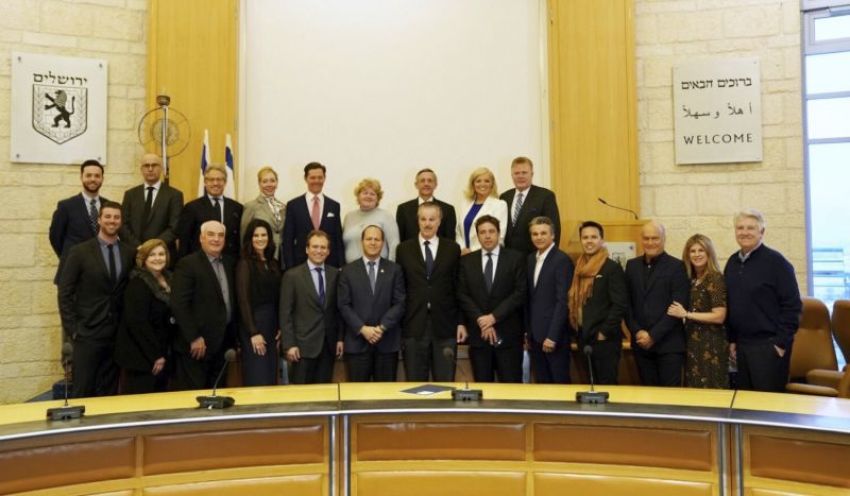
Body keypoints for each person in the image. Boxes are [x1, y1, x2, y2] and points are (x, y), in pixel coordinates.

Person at [57, 201, 135, 397]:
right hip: (87, 332)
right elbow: (65, 292)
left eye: (116, 217)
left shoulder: (129, 252)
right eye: (108, 216)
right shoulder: (80, 251)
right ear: (99, 220)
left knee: (108, 390)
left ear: (121, 221)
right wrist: (73, 329)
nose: (112, 220)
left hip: (116, 334)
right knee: (83, 389)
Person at [724, 209, 801, 392]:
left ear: (762, 232)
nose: (745, 232)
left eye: (751, 228)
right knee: (745, 406)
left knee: (768, 408)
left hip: (768, 347)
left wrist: (780, 345)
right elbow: (732, 304)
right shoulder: (732, 263)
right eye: (740, 228)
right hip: (741, 347)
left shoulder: (777, 263)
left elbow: (792, 307)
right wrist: (732, 340)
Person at [396, 202, 466, 381]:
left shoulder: (452, 249)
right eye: (423, 219)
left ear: (439, 222)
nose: (427, 223)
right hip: (413, 325)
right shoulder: (403, 249)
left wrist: (461, 322)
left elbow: (459, 287)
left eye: (432, 219)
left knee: (445, 383)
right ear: (417, 221)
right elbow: (400, 289)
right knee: (415, 384)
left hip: (445, 325)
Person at [457, 216, 526, 383]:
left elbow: (520, 293)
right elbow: (462, 294)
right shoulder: (466, 261)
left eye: (491, 231)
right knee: (483, 388)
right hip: (478, 336)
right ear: (477, 236)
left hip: (508, 335)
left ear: (499, 233)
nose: (487, 236)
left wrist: (493, 317)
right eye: (482, 232)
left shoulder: (515, 258)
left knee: (511, 390)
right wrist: (482, 320)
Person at [170, 221, 238, 390]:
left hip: (222, 344)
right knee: (194, 398)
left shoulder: (230, 263)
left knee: (217, 396)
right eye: (211, 234)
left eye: (221, 235)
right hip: (197, 346)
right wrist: (194, 337)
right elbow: (179, 304)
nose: (216, 239)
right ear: (201, 238)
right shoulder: (188, 264)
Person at [625, 221, 690, 387]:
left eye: (655, 238)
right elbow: (626, 304)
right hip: (641, 345)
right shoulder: (631, 266)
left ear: (663, 239)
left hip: (669, 345)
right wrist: (637, 331)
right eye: (646, 238)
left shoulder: (677, 267)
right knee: (648, 397)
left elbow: (677, 307)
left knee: (669, 399)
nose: (650, 242)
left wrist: (653, 336)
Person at [338, 225, 406, 382]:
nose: (373, 242)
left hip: (387, 343)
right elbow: (343, 305)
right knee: (357, 397)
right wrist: (362, 329)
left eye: (377, 239)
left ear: (383, 243)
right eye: (369, 239)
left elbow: (400, 303)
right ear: (362, 242)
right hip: (357, 343)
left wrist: (381, 328)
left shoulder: (394, 270)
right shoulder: (347, 271)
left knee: (385, 397)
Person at [280, 230, 343, 384]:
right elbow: (285, 313)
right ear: (307, 249)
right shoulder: (292, 276)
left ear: (328, 251)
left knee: (324, 396)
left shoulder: (335, 275)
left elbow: (338, 310)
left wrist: (340, 339)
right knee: (301, 397)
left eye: (323, 247)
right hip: (301, 347)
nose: (319, 251)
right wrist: (289, 344)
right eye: (315, 247)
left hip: (328, 346)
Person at [568, 221, 627, 385]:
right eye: (585, 237)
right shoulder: (578, 269)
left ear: (601, 240)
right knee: (590, 387)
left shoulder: (611, 268)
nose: (589, 241)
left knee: (606, 387)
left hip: (604, 341)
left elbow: (620, 304)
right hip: (583, 339)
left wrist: (604, 332)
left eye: (594, 237)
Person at [114, 239, 176, 394]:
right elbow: (137, 323)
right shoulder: (137, 283)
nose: (157, 258)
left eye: (161, 254)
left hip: (162, 353)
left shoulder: (170, 279)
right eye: (152, 255)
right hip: (142, 358)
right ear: (143, 259)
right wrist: (156, 356)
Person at [667, 234, 729, 389]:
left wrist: (686, 314)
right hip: (693, 342)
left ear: (709, 253)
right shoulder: (692, 279)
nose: (697, 254)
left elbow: (719, 316)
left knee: (711, 388)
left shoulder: (715, 278)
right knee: (694, 389)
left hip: (711, 343)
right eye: (692, 251)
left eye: (701, 250)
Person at [526, 216, 574, 384]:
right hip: (536, 337)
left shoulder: (561, 260)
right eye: (535, 234)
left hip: (554, 338)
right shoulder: (531, 259)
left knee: (559, 385)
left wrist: (552, 336)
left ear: (553, 235)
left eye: (543, 233)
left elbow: (563, 301)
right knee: (543, 386)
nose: (539, 237)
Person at [236, 219, 282, 386]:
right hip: (254, 326)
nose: (260, 239)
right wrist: (253, 332)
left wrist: (279, 326)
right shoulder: (245, 264)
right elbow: (243, 300)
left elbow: (277, 298)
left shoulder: (273, 263)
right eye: (256, 235)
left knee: (270, 377)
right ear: (250, 238)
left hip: (271, 327)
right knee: (258, 377)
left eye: (264, 235)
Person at [49, 159, 109, 284]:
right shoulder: (66, 206)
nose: (93, 179)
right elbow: (55, 237)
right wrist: (70, 257)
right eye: (88, 175)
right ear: (81, 177)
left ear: (102, 179)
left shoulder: (109, 206)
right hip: (72, 273)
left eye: (97, 176)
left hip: (101, 274)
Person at [281, 162, 345, 269]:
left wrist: (341, 266)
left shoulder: (334, 206)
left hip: (329, 265)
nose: (316, 181)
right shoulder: (293, 205)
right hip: (300, 264)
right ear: (306, 179)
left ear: (324, 178)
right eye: (313, 177)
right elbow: (288, 240)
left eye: (320, 177)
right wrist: (290, 267)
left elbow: (338, 239)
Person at [119, 153, 184, 253]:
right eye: (146, 165)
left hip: (163, 254)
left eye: (154, 165)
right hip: (134, 253)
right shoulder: (130, 195)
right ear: (141, 169)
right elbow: (123, 225)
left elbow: (174, 228)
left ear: (161, 168)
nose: (150, 169)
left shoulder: (174, 195)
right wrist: (138, 247)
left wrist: (153, 247)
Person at [176, 164, 242, 260]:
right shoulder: (191, 208)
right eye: (211, 180)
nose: (215, 183)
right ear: (205, 182)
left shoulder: (237, 208)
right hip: (200, 263)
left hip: (229, 263)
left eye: (219, 179)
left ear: (225, 182)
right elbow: (184, 241)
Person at [500, 156, 561, 255]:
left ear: (532, 174)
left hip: (534, 257)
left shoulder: (545, 196)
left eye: (524, 172)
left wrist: (550, 257)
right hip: (508, 258)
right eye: (517, 173)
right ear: (512, 175)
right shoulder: (504, 197)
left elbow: (554, 230)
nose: (520, 176)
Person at [342, 178, 400, 263]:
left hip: (376, 269)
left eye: (372, 194)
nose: (368, 196)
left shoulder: (386, 216)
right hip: (350, 270)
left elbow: (394, 245)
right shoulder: (349, 217)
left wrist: (391, 269)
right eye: (365, 193)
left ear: (378, 198)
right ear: (358, 196)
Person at [395, 168, 457, 242]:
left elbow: (450, 241)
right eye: (422, 181)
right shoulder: (403, 209)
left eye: (430, 181)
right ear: (416, 185)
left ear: (435, 185)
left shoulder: (448, 210)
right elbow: (400, 239)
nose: (426, 184)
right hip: (410, 252)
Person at [456, 167, 508, 254]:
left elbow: (500, 236)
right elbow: (458, 231)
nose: (482, 184)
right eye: (478, 181)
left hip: (486, 254)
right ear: (473, 184)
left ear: (492, 184)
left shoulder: (500, 205)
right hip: (464, 255)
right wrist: (462, 248)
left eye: (487, 181)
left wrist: (472, 252)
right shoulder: (465, 204)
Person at [240, 166, 285, 263]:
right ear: (259, 184)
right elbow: (244, 236)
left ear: (277, 183)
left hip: (280, 259)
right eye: (265, 181)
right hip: (258, 258)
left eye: (272, 181)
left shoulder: (283, 207)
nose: (269, 184)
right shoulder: (251, 206)